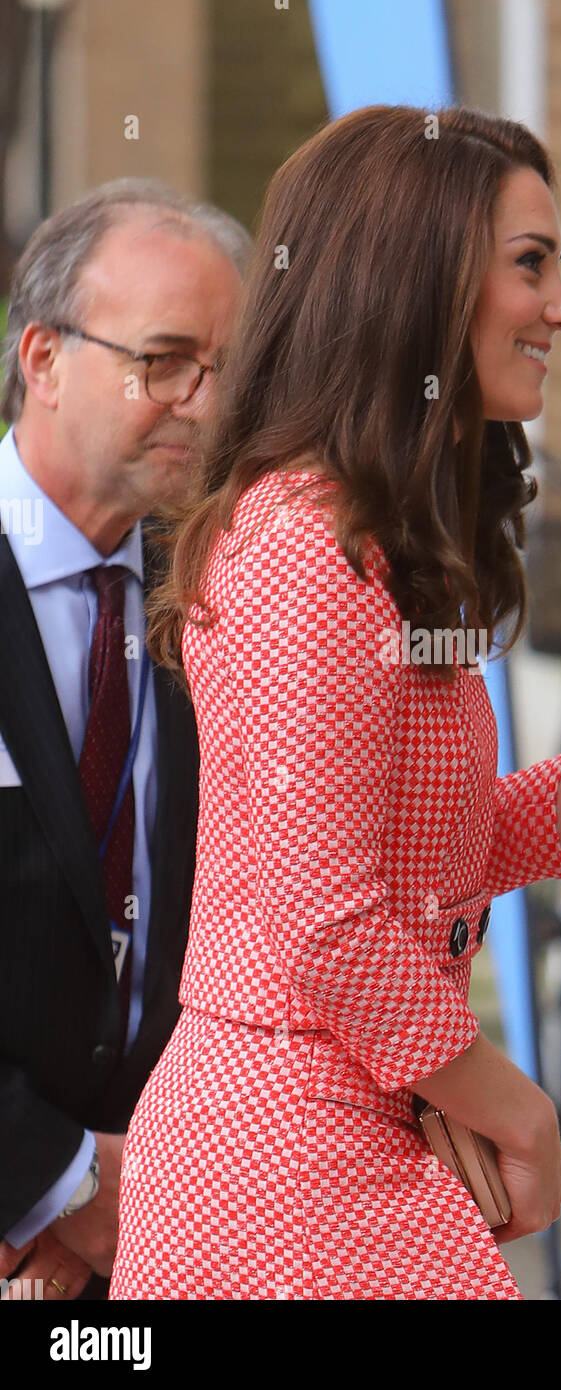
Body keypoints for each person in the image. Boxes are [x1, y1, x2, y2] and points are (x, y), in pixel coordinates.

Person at [107, 106, 561, 1302]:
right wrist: (522, 1112)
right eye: (528, 263)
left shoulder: (367, 540)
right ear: (415, 274)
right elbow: (332, 923)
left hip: (337, 1134)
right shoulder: (303, 549)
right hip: (282, 1163)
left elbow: (429, 860)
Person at [0, 178, 249, 1300]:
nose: (202, 404)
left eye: (226, 372)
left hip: (161, 1238)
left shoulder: (214, 594)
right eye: (162, 361)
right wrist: (59, 1186)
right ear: (41, 359)